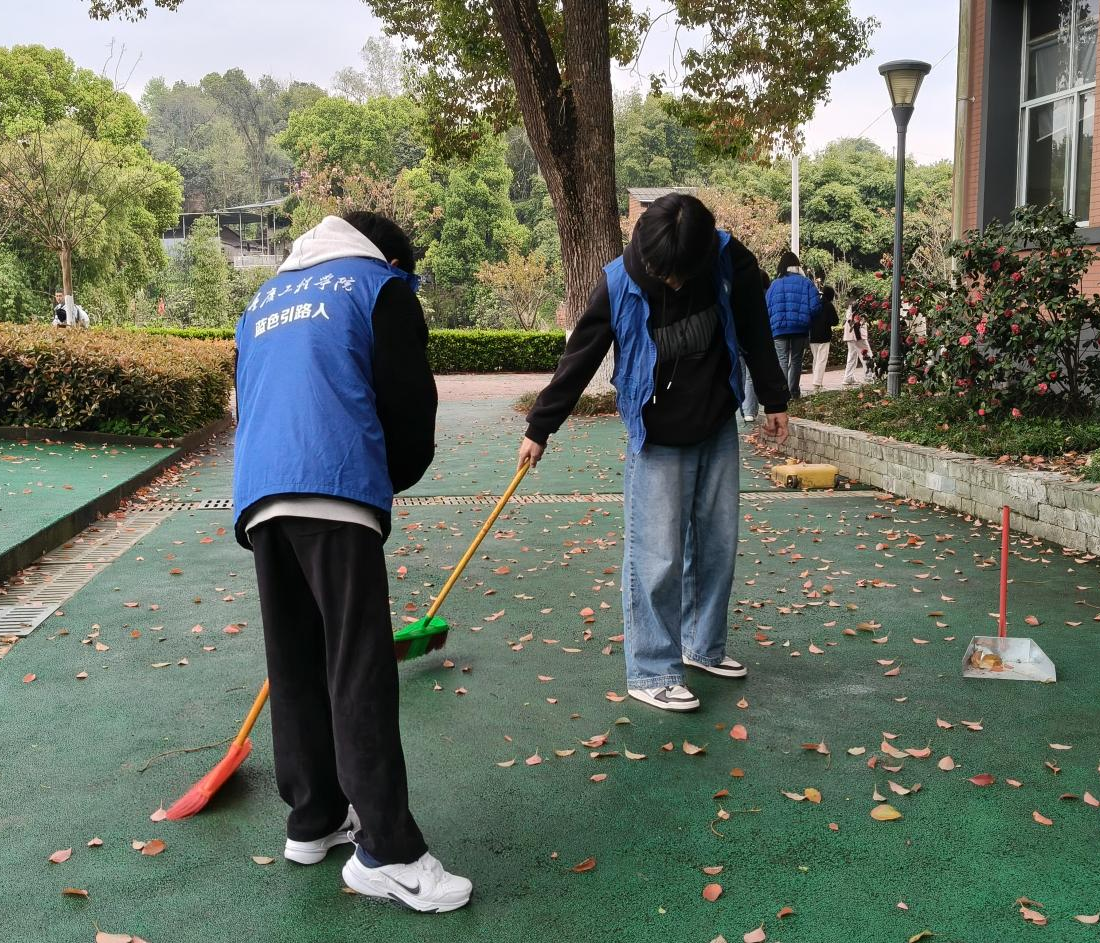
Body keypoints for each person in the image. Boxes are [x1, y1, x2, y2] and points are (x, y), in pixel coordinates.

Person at [233, 211, 471, 913]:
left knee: (296, 661)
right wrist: (381, 478)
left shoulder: (265, 297)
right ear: (393, 261)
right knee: (358, 666)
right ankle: (388, 853)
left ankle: (314, 819)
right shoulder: (379, 287)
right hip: (334, 484)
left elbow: (249, 397)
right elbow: (410, 410)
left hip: (261, 495)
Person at [518, 193, 790, 713]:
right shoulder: (619, 282)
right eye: (666, 276)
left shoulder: (728, 260)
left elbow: (755, 326)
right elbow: (581, 355)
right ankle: (651, 670)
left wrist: (774, 397)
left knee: (716, 546)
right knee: (657, 556)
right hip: (657, 435)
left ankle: (701, 646)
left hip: (716, 423)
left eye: (683, 274)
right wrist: (540, 427)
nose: (675, 284)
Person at [764, 251, 819, 399]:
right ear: (797, 265)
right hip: (800, 329)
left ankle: (782, 393)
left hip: (778, 329)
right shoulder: (806, 283)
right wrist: (806, 318)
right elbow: (815, 307)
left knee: (781, 359)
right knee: (796, 360)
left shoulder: (774, 284)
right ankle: (793, 392)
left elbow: (766, 307)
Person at [739, 270, 772, 422]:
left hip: (738, 339)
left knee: (741, 375)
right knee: (750, 376)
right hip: (754, 340)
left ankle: (745, 408)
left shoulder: (740, 293)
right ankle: (749, 410)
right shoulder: (765, 296)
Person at [808, 285, 840, 392]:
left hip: (812, 336)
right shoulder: (829, 305)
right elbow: (835, 321)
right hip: (824, 336)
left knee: (816, 359)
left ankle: (816, 382)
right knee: (821, 360)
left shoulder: (814, 304)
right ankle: (817, 384)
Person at [843, 305, 873, 385]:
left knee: (852, 356)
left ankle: (848, 377)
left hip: (850, 334)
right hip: (857, 334)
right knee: (867, 355)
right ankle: (869, 377)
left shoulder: (851, 304)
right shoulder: (859, 303)